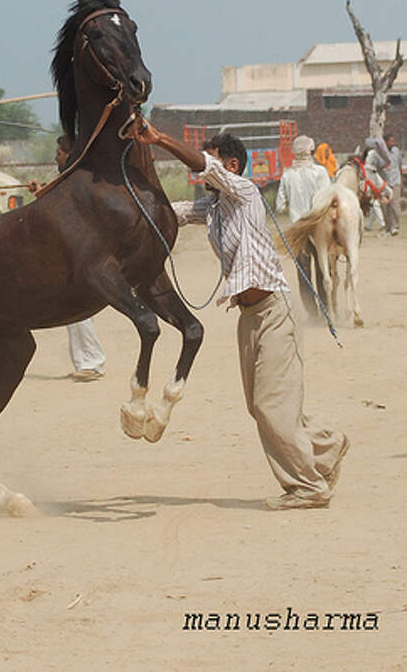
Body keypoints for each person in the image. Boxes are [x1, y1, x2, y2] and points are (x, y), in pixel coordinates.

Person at [128, 120, 349, 511]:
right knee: (261, 405)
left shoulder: (245, 191)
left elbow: (204, 167)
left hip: (276, 312)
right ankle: (327, 445)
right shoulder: (213, 208)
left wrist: (158, 138)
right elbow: (168, 213)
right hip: (248, 317)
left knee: (270, 405)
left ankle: (309, 488)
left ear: (231, 166)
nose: (201, 172)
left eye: (212, 161)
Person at [28, 135, 106, 382]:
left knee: (79, 308)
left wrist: (41, 192)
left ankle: (92, 362)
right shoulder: (70, 180)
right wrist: (40, 191)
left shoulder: (76, 180)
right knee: (74, 308)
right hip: (68, 254)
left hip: (80, 254)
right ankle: (87, 361)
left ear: (69, 154)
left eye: (59, 153)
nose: (55, 157)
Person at [276, 135, 330, 319]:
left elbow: (280, 206)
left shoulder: (287, 175)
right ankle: (326, 310)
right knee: (323, 270)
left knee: (304, 274)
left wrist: (294, 207)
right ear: (312, 151)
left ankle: (312, 314)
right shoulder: (320, 172)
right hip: (318, 229)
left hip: (297, 230)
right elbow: (326, 200)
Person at [382, 134, 402, 236]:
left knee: (395, 205)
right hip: (384, 183)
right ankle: (388, 227)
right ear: (385, 142)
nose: (393, 143)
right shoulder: (380, 153)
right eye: (391, 141)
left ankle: (395, 227)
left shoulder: (396, 151)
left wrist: (401, 181)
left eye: (393, 141)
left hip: (395, 181)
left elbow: (399, 166)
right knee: (385, 206)